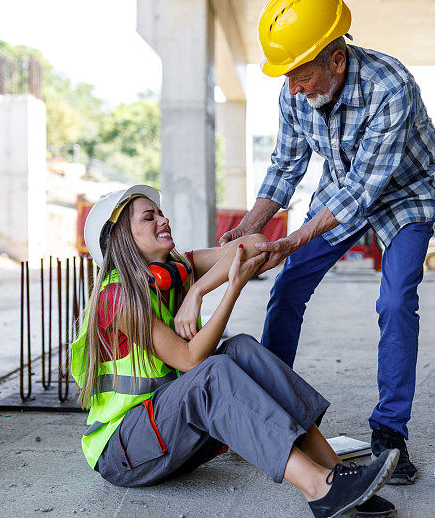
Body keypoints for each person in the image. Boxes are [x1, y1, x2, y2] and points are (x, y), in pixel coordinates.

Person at [218, 0, 435, 485]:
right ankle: (269, 410)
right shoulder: (295, 91)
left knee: (396, 301)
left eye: (300, 74)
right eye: (288, 77)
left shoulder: (391, 86)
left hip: (406, 196)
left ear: (337, 60)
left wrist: (290, 240)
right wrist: (249, 228)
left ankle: (390, 432)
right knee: (289, 287)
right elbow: (286, 167)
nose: (293, 87)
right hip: (343, 189)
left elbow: (366, 191)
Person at [71, 185, 399, 518]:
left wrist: (198, 289)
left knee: (241, 348)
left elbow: (256, 244)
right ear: (121, 236)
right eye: (149, 216)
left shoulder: (176, 274)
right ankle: (319, 488)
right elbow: (190, 361)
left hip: (169, 436)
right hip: (125, 453)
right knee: (212, 373)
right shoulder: (120, 297)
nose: (164, 219)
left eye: (160, 211)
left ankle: (340, 473)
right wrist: (233, 287)